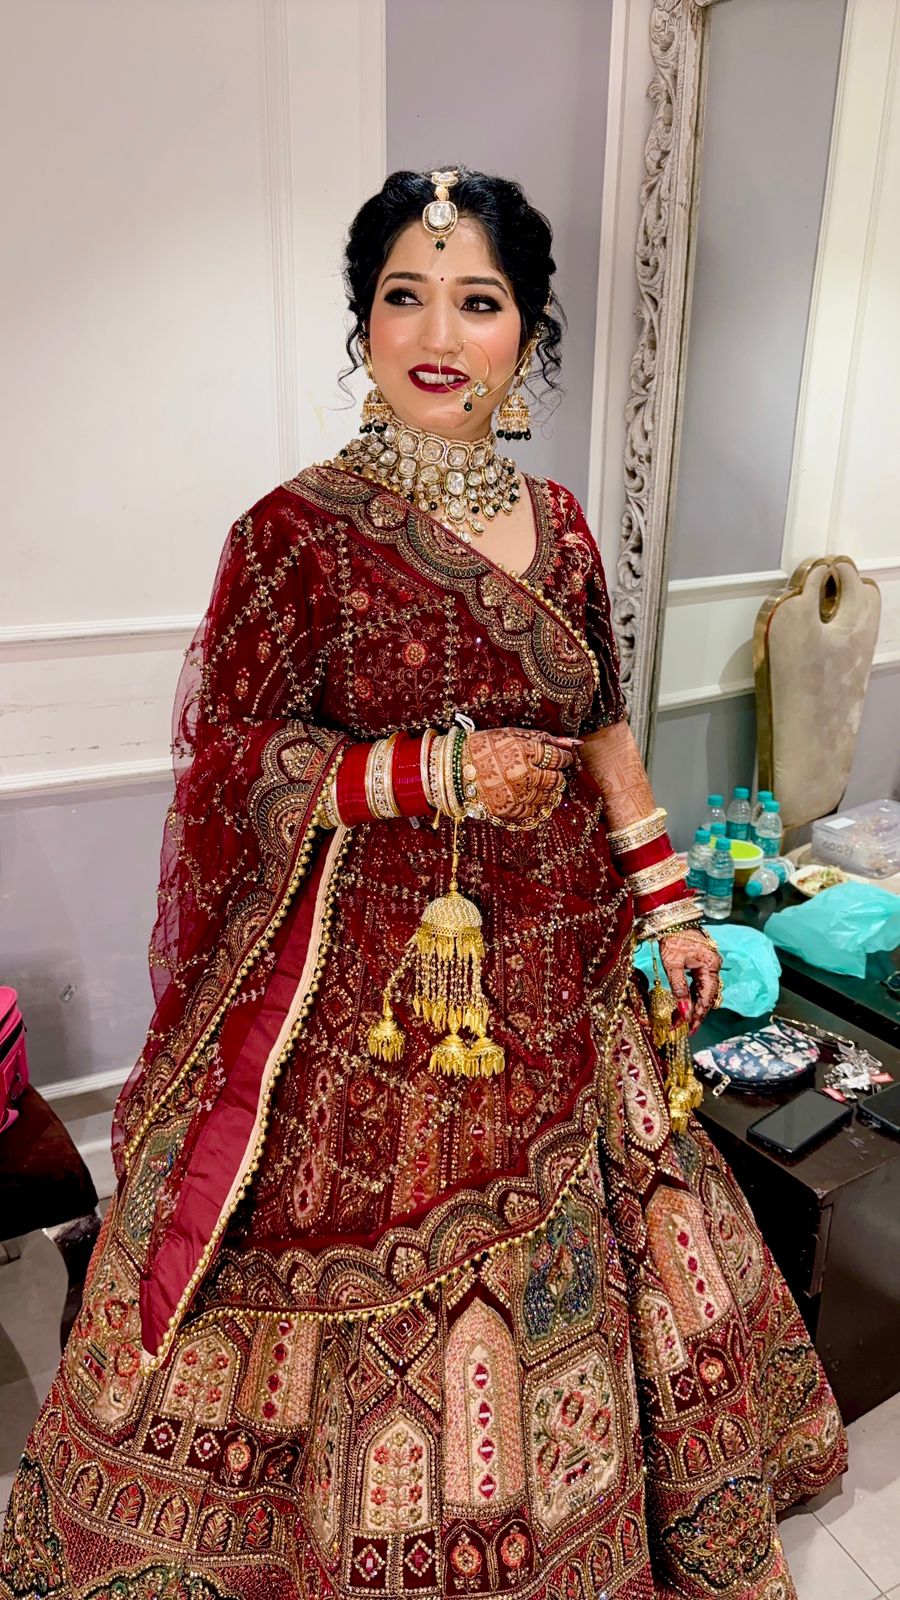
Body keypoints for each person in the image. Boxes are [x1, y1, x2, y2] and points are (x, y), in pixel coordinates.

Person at [1, 167, 845, 1600]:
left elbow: (601, 724)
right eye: (405, 296)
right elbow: (236, 761)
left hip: (561, 966)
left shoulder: (562, 524)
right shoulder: (293, 534)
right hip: (375, 1002)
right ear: (364, 324)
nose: (439, 333)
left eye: (478, 300)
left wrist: (670, 901)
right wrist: (426, 775)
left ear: (530, 332)